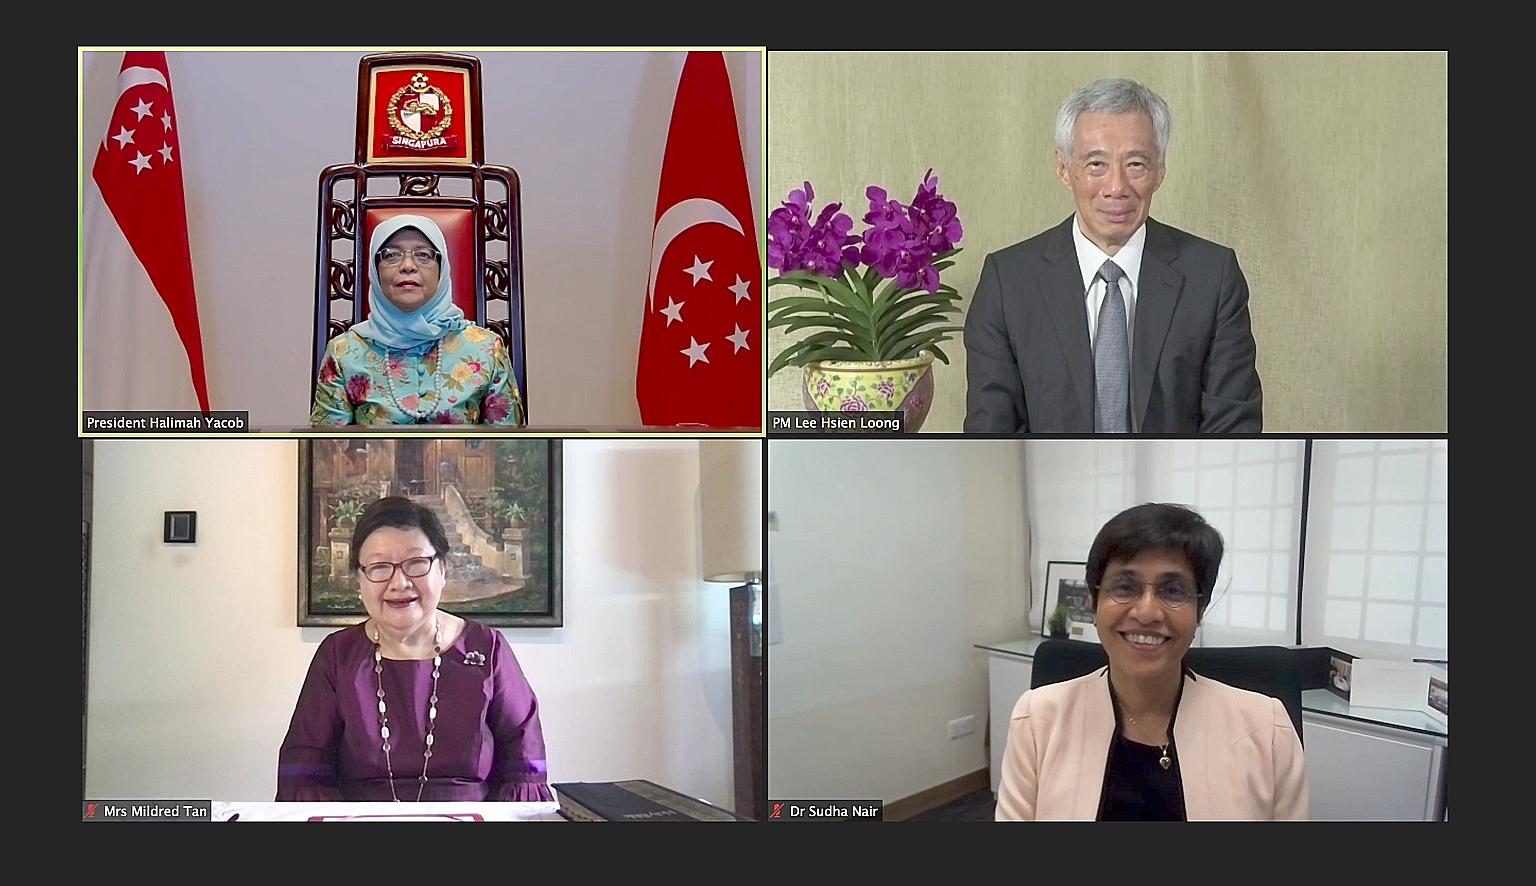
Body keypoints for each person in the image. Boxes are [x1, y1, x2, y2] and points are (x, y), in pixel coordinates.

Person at [964, 78, 1262, 433]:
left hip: (1175, 489)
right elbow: (992, 436)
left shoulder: (1212, 276)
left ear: (1160, 170)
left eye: (1136, 164)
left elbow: (1233, 429)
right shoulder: (1008, 282)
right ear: (1063, 168)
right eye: (1096, 164)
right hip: (1049, 488)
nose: (1116, 188)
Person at [996, 503, 1307, 820]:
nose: (1146, 613)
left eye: (1173, 591)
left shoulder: (1267, 730)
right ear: (1093, 602)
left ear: (1200, 610)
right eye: (1125, 587)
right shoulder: (1036, 721)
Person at [278, 497, 551, 801]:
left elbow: (524, 770)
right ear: (359, 579)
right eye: (380, 567)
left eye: (416, 564)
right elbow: (305, 772)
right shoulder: (338, 655)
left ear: (443, 569)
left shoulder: (487, 649)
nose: (400, 582)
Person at [311, 215, 525, 426]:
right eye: (392, 255)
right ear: (374, 271)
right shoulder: (343, 353)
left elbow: (510, 451)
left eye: (423, 255)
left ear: (442, 269)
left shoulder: (486, 349)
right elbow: (326, 452)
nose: (408, 265)